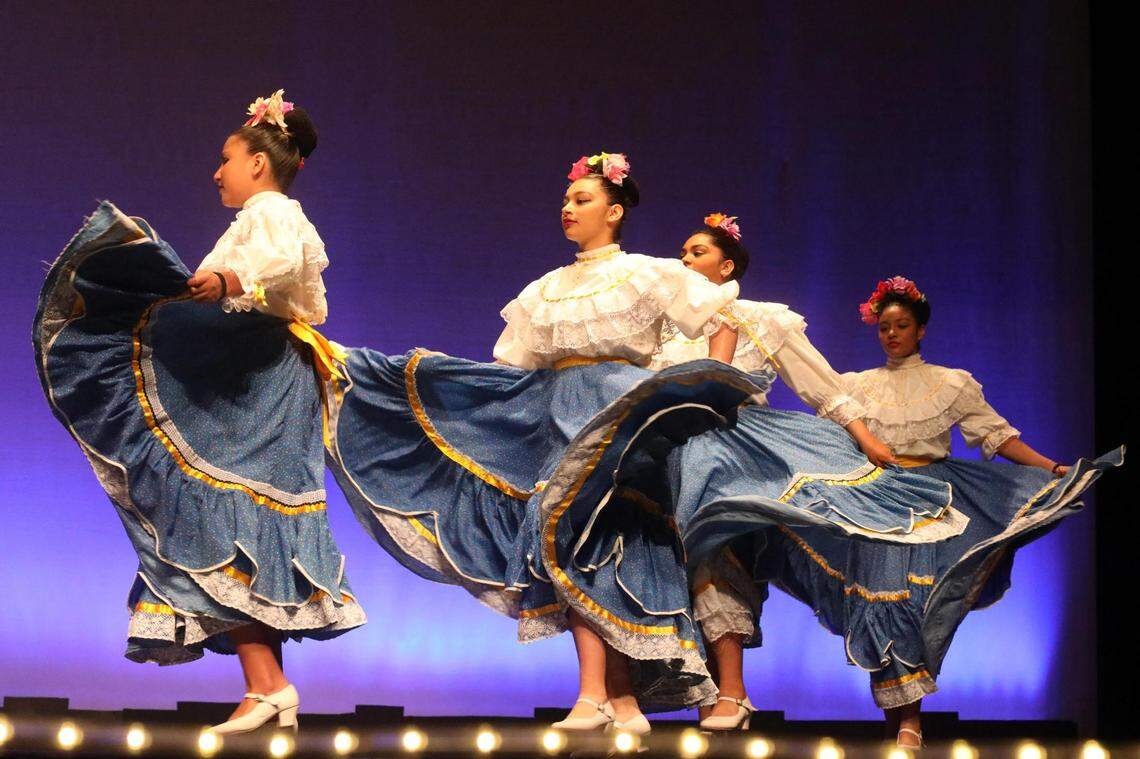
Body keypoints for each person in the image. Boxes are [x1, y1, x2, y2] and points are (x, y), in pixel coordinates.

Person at [328, 161, 960, 733]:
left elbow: (722, 320)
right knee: (563, 535)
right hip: (558, 411)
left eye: (580, 198)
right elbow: (515, 364)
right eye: (565, 200)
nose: (567, 209)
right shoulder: (544, 288)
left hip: (628, 412)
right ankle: (607, 695)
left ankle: (655, 693)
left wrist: (712, 389)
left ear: (614, 209)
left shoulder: (650, 274)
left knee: (635, 543)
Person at [33, 90, 364, 737]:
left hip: (263, 381)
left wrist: (229, 283)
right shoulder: (250, 221)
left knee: (223, 518)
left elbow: (284, 264)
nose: (217, 171)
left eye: (227, 158)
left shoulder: (275, 212)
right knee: (218, 524)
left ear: (259, 166)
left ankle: (268, 686)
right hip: (246, 376)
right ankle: (267, 687)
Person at [749, 276, 1122, 746]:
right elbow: (832, 433)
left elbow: (997, 436)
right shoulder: (855, 386)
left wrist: (1051, 466)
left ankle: (908, 720)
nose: (892, 334)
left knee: (913, 603)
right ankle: (900, 719)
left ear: (920, 329)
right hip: (875, 497)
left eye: (902, 325)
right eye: (884, 327)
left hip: (932, 500)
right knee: (879, 598)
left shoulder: (949, 383)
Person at [650, 213, 893, 730]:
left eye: (697, 252)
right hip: (668, 452)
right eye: (684, 252)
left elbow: (822, 387)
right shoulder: (664, 322)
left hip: (737, 452)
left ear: (727, 264)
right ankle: (701, 690)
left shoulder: (762, 318)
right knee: (672, 565)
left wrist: (868, 441)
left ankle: (733, 692)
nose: (685, 260)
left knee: (719, 555)